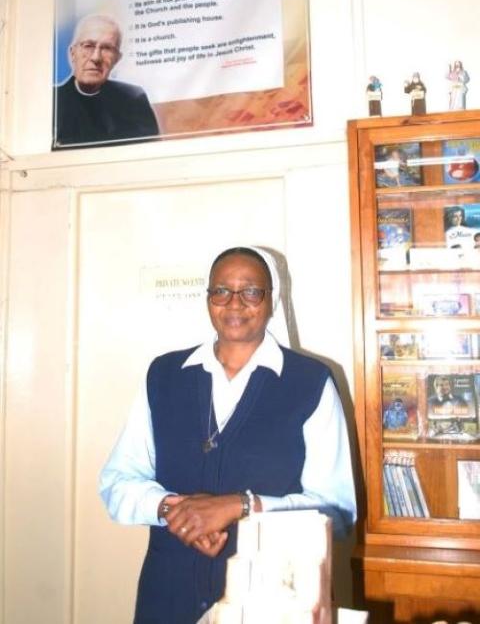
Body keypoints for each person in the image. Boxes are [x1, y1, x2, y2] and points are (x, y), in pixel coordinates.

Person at [99, 246, 357, 624]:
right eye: (221, 290)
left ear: (272, 300)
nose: (234, 303)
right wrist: (177, 511)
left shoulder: (310, 381)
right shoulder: (164, 374)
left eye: (251, 291)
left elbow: (337, 510)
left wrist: (240, 506)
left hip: (271, 596)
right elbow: (116, 483)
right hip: (168, 592)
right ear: (208, 299)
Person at [54, 14, 159, 147]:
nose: (96, 57)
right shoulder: (52, 103)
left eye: (107, 48)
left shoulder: (134, 101)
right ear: (73, 53)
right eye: (88, 46)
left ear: (117, 59)